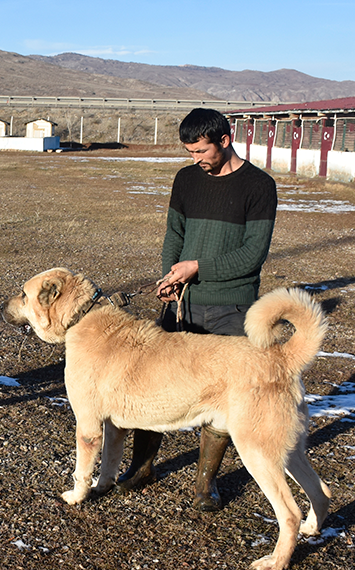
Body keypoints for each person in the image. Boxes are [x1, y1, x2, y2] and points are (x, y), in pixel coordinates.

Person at [118, 107, 277, 512]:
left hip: (232, 307)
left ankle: (206, 483)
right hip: (183, 305)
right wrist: (171, 275)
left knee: (223, 396)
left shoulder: (260, 186)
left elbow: (253, 255)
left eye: (202, 151)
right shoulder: (186, 179)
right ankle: (142, 467)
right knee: (152, 385)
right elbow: (175, 233)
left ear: (225, 140)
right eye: (189, 152)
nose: (196, 159)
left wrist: (198, 268)